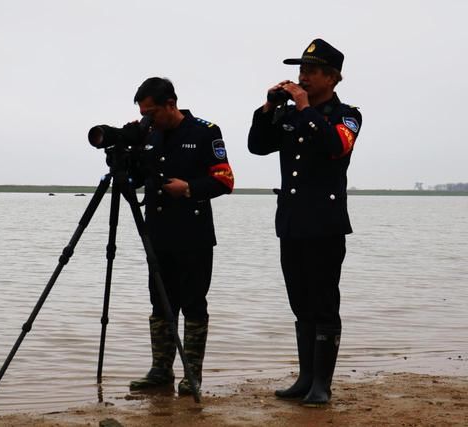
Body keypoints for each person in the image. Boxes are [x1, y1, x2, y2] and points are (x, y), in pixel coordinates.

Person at [247, 39, 362, 405]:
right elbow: (258, 145)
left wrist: (303, 106)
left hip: (326, 224)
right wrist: (269, 107)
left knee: (324, 302)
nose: (303, 77)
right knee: (300, 302)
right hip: (292, 222)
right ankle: (305, 378)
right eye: (301, 71)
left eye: (311, 71)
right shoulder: (293, 114)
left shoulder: (346, 115)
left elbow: (335, 146)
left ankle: (322, 385)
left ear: (332, 77)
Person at [129, 77, 234, 395]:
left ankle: (192, 375)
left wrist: (188, 189)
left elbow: (225, 181)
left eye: (151, 111)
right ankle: (161, 371)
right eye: (143, 112)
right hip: (158, 234)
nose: (148, 118)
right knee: (160, 303)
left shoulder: (204, 131)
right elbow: (135, 179)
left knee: (193, 304)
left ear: (170, 105)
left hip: (194, 234)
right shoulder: (148, 133)